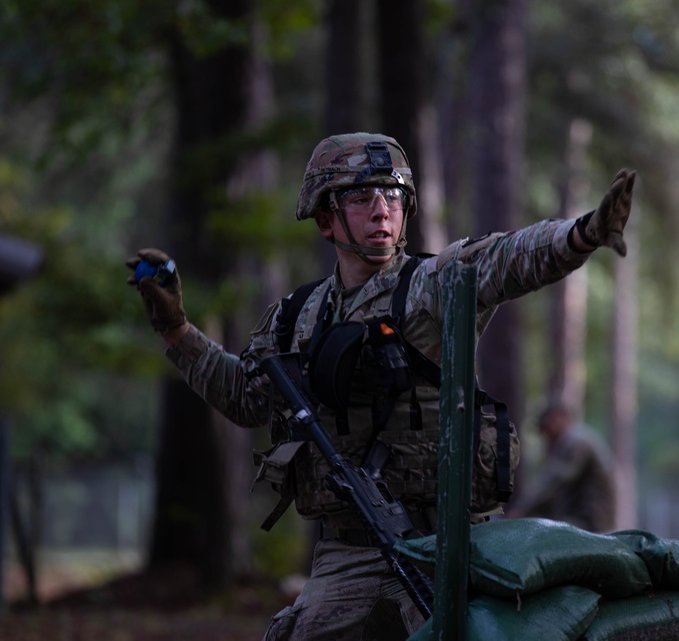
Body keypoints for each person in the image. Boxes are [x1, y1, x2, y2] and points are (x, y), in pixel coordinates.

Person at [126, 132, 636, 641]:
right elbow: (244, 397)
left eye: (393, 197)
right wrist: (177, 331)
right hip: (349, 553)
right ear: (326, 219)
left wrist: (581, 235)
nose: (381, 211)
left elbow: (507, 258)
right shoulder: (295, 318)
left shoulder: (433, 285)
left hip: (449, 546)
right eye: (360, 197)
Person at [506, 402, 617, 533]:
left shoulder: (576, 441)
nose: (545, 435)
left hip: (588, 522)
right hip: (582, 519)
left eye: (546, 427)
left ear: (557, 418)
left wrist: (522, 510)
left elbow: (556, 482)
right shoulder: (575, 440)